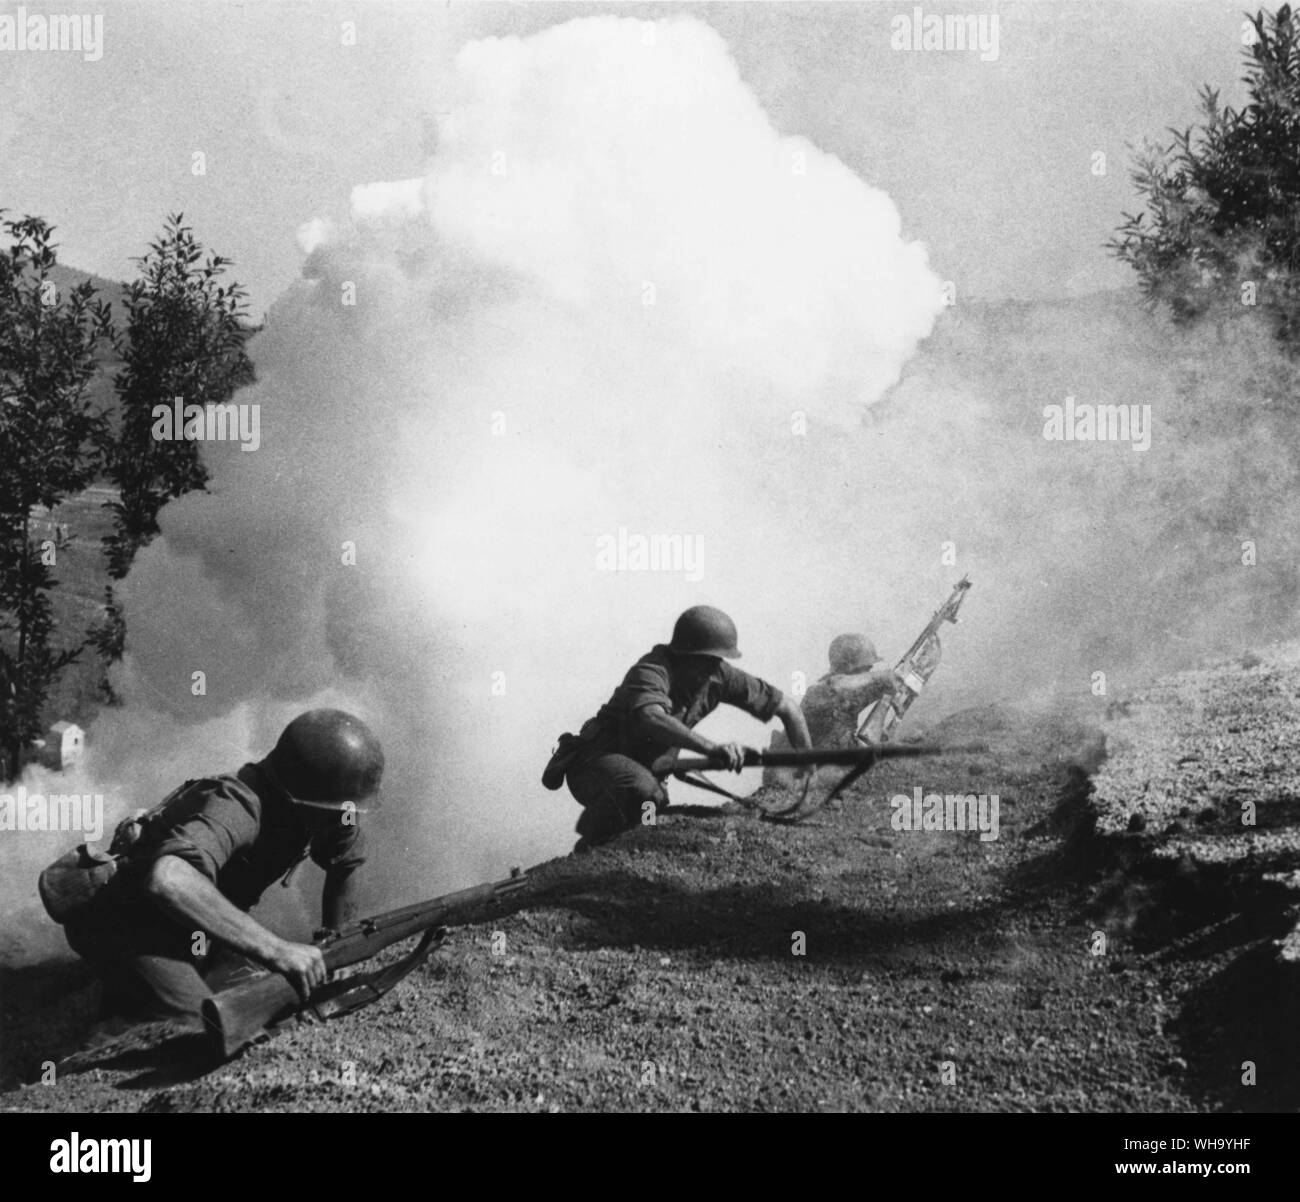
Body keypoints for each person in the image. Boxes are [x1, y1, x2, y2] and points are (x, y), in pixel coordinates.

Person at [57, 709, 383, 1037]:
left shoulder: (323, 808)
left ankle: (140, 997)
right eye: (338, 813)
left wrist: (338, 946)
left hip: (196, 923)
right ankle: (98, 1046)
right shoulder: (238, 804)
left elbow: (346, 863)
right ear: (302, 798)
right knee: (203, 1026)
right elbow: (168, 879)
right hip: (126, 923)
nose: (346, 822)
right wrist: (278, 950)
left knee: (270, 999)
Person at [554, 605, 812, 850]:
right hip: (593, 766)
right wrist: (711, 748)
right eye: (705, 659)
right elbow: (652, 718)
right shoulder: (652, 669)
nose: (713, 667)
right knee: (643, 793)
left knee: (647, 817)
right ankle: (589, 848)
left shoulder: (718, 674)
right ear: (683, 654)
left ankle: (623, 846)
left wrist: (808, 765)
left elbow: (788, 708)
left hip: (646, 776)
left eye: (718, 659)